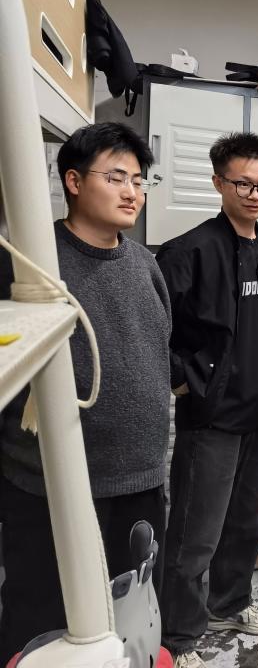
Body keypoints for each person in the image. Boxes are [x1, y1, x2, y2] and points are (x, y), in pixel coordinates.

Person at [0, 123, 170, 665]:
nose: (132, 192)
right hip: (49, 485)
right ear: (73, 181)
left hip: (140, 480)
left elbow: (158, 350)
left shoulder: (145, 264)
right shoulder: (29, 263)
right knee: (42, 617)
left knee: (132, 611)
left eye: (139, 181)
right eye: (116, 177)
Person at [156, 133, 258, 668]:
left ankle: (229, 605)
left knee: (245, 522)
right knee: (195, 534)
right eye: (244, 184)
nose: (255, 194)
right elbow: (157, 328)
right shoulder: (188, 251)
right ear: (219, 183)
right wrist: (182, 381)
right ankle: (179, 637)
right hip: (211, 417)